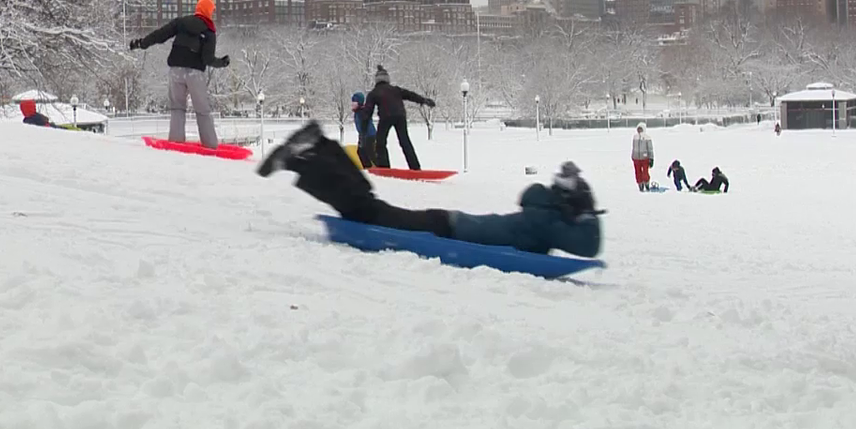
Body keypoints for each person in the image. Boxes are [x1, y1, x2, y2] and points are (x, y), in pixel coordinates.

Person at [257, 121, 603, 257]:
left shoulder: (540, 214)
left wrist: (575, 201)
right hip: (445, 227)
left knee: (371, 208)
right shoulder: (544, 222)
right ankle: (304, 156)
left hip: (447, 222)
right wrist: (584, 206)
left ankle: (317, 148)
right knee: (367, 211)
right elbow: (588, 245)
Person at [129, 0, 230, 149]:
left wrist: (142, 43)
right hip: (195, 73)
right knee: (202, 109)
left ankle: (176, 142)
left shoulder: (181, 22)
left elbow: (160, 35)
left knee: (177, 107)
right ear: (208, 11)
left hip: (175, 70)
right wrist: (222, 62)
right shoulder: (209, 31)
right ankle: (210, 145)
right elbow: (207, 59)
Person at [362, 65, 434, 170]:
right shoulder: (395, 90)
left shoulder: (374, 93)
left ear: (376, 81)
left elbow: (367, 111)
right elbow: (410, 95)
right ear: (387, 79)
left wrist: (363, 129)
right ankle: (415, 167)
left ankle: (384, 167)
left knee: (380, 143)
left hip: (386, 117)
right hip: (400, 116)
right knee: (405, 142)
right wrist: (424, 100)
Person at [351, 91, 377, 168]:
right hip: (363, 135)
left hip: (369, 135)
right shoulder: (357, 112)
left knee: (370, 152)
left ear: (359, 103)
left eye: (354, 102)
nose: (352, 104)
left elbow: (365, 124)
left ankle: (381, 168)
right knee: (361, 152)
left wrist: (363, 137)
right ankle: (368, 168)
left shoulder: (362, 112)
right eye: (352, 102)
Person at [631, 122, 654, 192]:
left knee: (645, 173)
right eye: (638, 129)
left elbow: (650, 149)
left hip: (645, 158)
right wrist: (632, 156)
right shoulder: (635, 137)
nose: (639, 130)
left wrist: (651, 158)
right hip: (636, 158)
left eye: (641, 129)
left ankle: (646, 183)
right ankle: (640, 185)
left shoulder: (647, 138)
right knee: (637, 173)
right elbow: (633, 147)